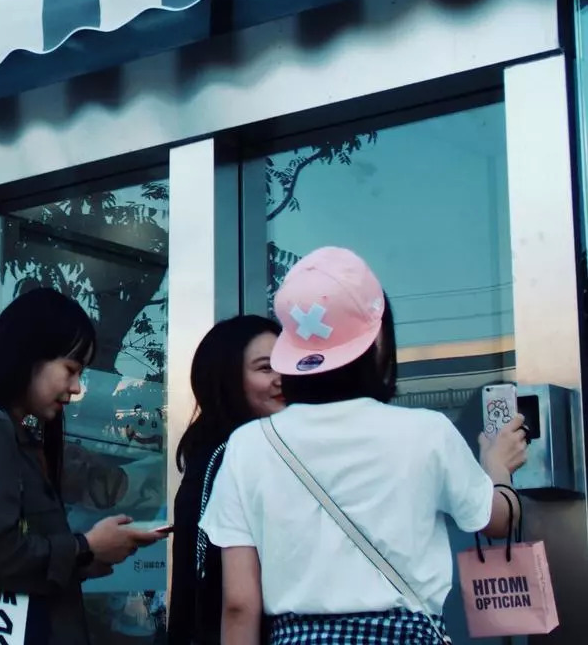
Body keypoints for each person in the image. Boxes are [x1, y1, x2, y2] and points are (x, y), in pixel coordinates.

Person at [200, 248, 528, 645]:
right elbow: (497, 520)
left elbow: (239, 604)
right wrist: (497, 467)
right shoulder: (426, 432)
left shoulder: (249, 445)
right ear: (379, 340)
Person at [0, 288, 165, 645]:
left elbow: (7, 553)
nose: (76, 388)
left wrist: (80, 562)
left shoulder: (7, 432)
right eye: (71, 369)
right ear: (29, 356)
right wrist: (84, 546)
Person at [168, 315, 284, 645]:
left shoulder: (213, 451)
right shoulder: (231, 456)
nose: (282, 378)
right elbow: (232, 598)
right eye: (266, 368)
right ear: (228, 379)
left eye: (285, 364)